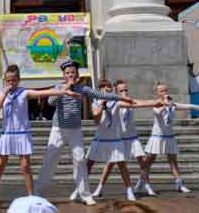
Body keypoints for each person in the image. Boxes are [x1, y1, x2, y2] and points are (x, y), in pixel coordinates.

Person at [35, 60, 136, 206]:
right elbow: (50, 102)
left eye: (73, 72)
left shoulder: (83, 89)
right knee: (50, 160)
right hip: (58, 129)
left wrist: (121, 97)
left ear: (77, 74)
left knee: (80, 160)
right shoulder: (59, 87)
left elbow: (101, 95)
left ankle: (85, 195)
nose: (70, 75)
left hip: (75, 129)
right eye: (68, 73)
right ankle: (38, 192)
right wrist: (65, 88)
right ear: (63, 75)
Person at [0, 64, 77, 196]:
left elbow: (44, 93)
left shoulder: (24, 92)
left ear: (18, 80)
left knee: (25, 167)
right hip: (7, 134)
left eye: (13, 80)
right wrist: (4, 92)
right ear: (5, 81)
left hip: (21, 134)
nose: (11, 83)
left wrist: (63, 90)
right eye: (8, 80)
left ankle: (31, 195)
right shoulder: (3, 94)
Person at [93, 79, 163, 198]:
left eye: (126, 89)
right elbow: (100, 117)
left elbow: (139, 103)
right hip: (120, 139)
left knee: (143, 163)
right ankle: (99, 187)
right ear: (116, 92)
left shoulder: (128, 101)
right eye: (121, 90)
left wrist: (155, 102)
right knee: (110, 164)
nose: (124, 92)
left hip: (132, 137)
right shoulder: (115, 102)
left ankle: (146, 185)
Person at [140, 82, 199, 194]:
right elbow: (157, 113)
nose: (164, 92)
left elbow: (186, 106)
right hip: (157, 137)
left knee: (173, 161)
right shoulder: (156, 105)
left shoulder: (171, 105)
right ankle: (143, 183)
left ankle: (179, 184)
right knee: (148, 161)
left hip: (169, 137)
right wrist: (165, 103)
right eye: (161, 91)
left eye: (165, 90)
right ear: (158, 93)